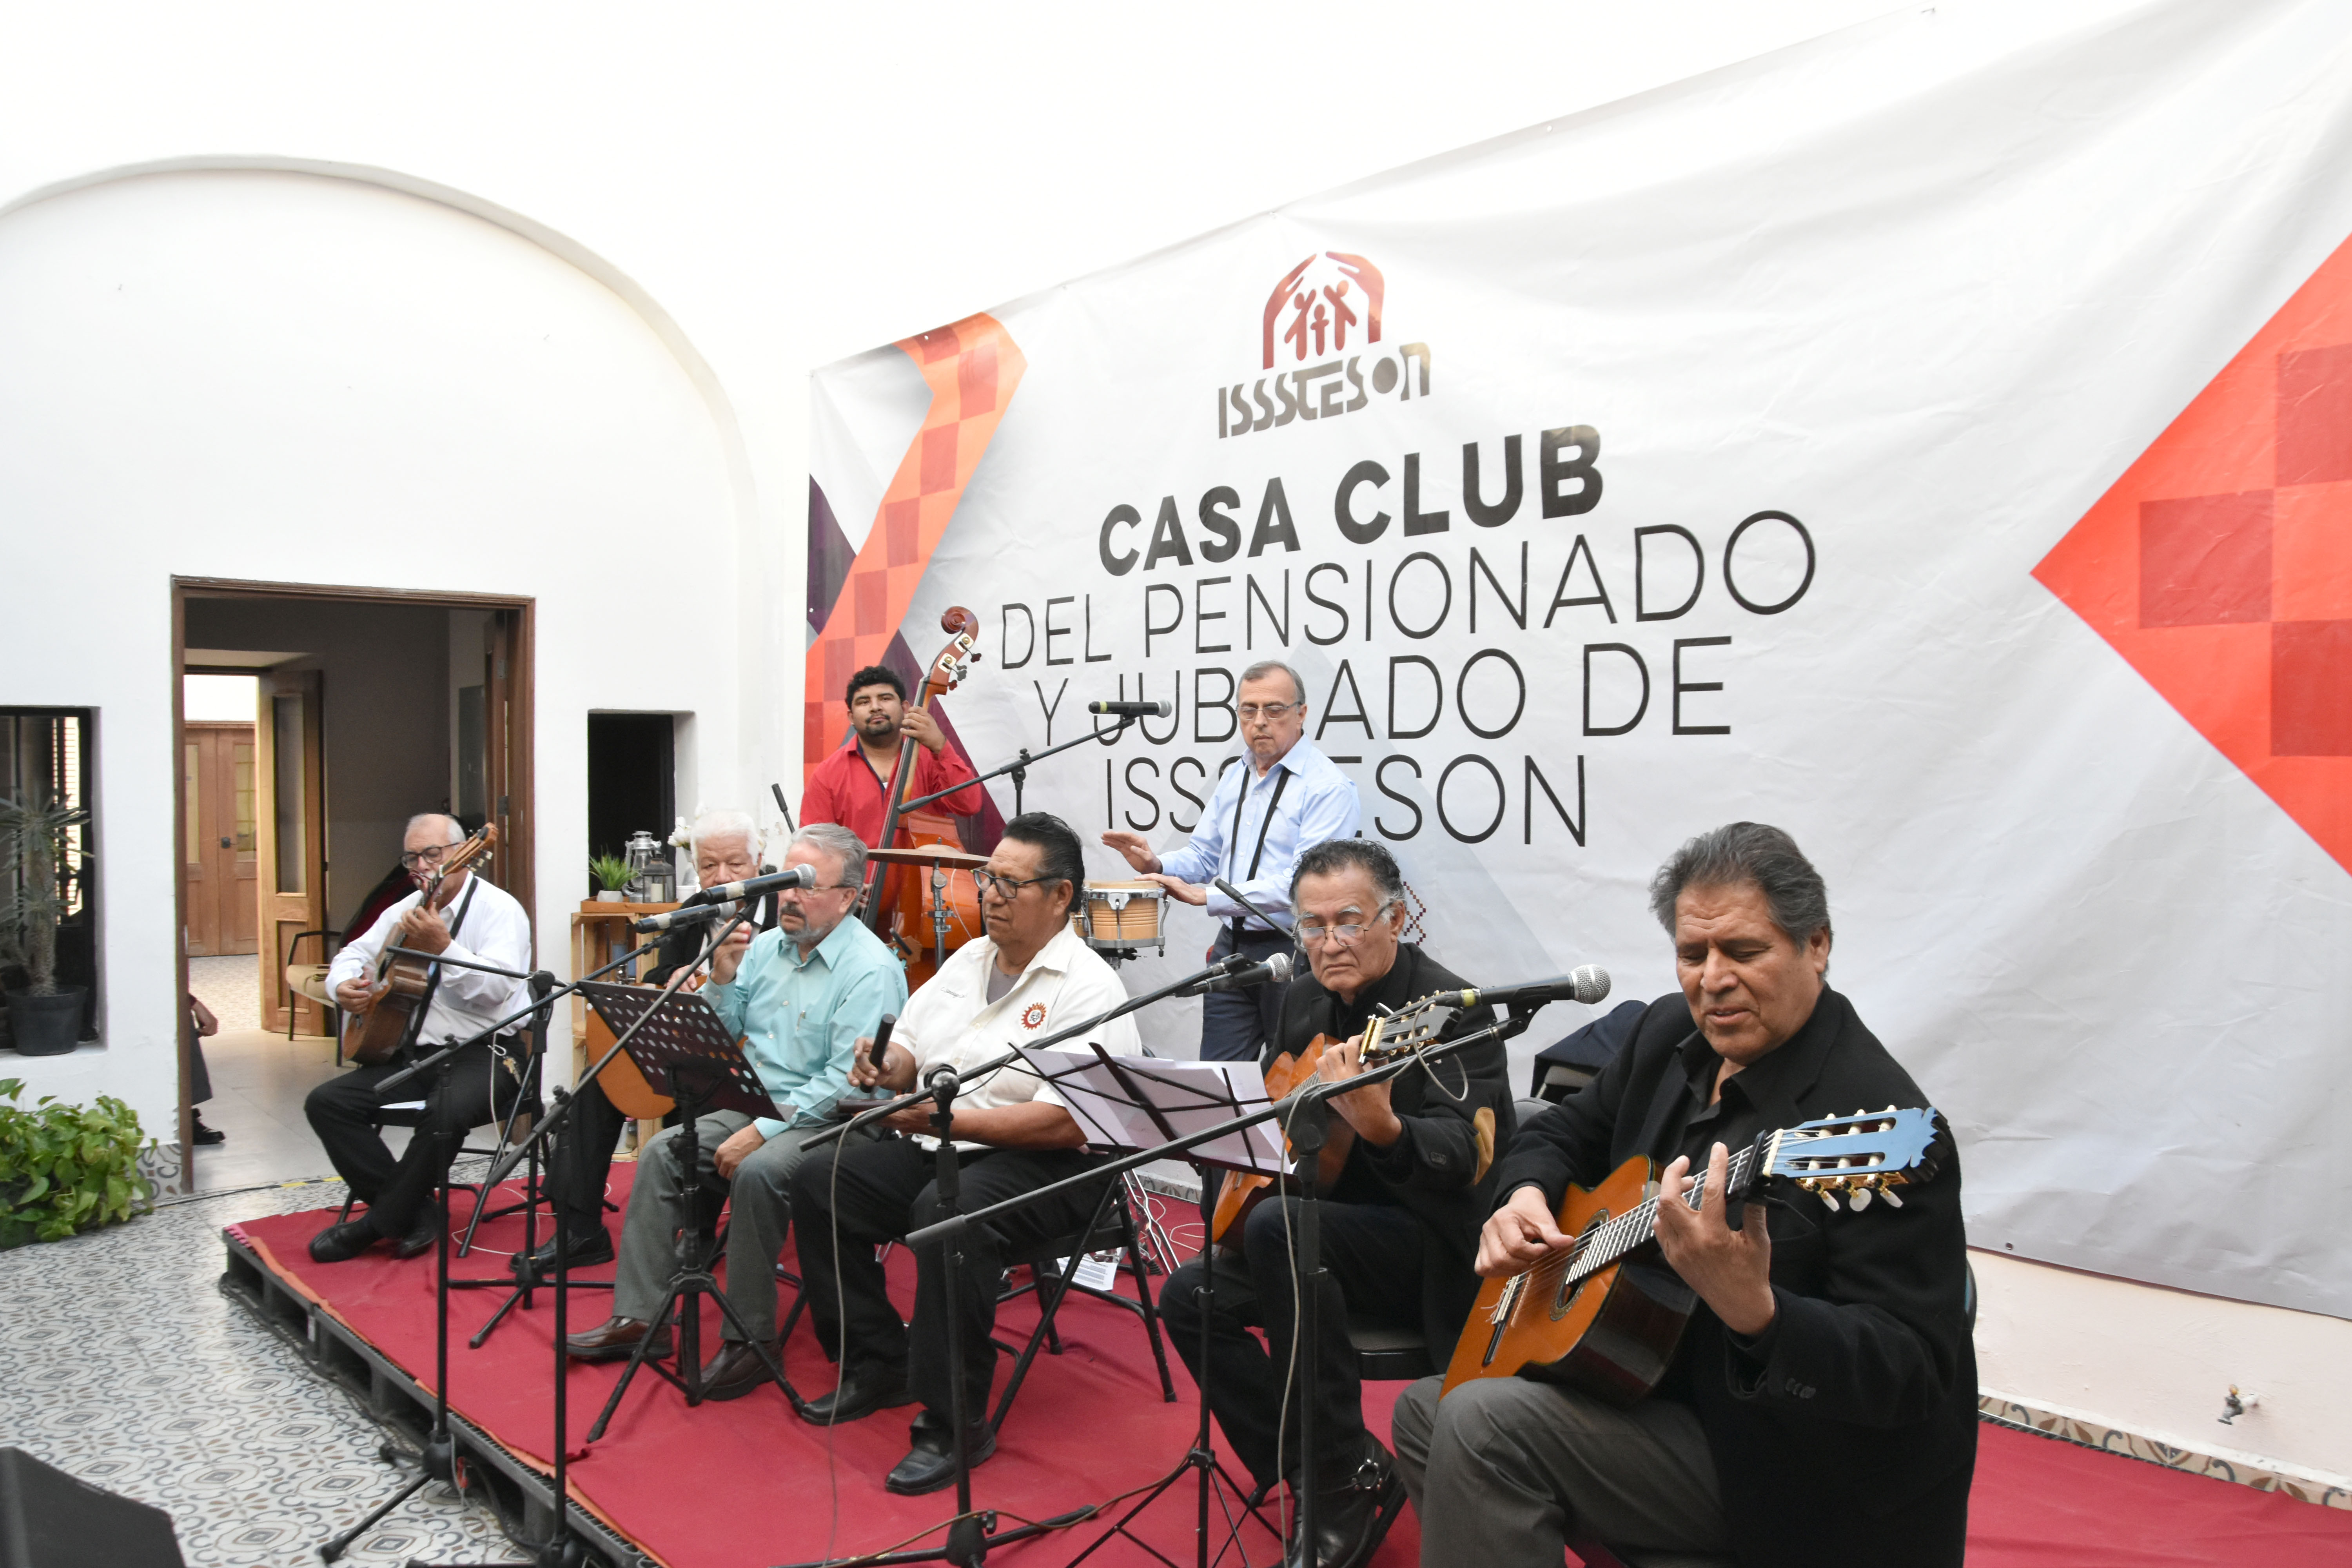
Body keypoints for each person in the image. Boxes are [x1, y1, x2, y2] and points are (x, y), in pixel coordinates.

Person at [1392, 823, 1977, 1568]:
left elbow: (1913, 1370)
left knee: (1480, 1424)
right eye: (1693, 954)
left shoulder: (1879, 1125)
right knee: (1426, 1412)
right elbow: (1562, 1130)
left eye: (1745, 952)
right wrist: (1524, 1195)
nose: (1713, 979)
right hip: (1652, 1387)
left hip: (1791, 1464)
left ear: (1817, 946)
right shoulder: (1669, 1036)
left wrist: (1757, 1312)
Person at [1160, 839, 1511, 1568]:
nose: (1329, 943)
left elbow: (1468, 1160)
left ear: (1397, 916)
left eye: (1348, 921)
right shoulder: (1302, 999)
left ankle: (1335, 1487)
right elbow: (1277, 1112)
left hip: (1431, 1246)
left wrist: (1383, 1127)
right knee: (1191, 1293)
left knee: (1280, 1226)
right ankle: (1337, 1464)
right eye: (1311, 927)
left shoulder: (1452, 1011)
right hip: (1311, 1231)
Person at [789, 811, 1140, 1495]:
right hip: (946, 1139)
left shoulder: (1091, 988)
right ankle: (877, 1359)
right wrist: (884, 1066)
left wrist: (948, 1124)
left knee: (947, 1213)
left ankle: (955, 1421)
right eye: (989, 879)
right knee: (821, 1177)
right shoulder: (968, 959)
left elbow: (1068, 1123)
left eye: (1012, 883)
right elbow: (912, 1053)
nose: (991, 895)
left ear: (1062, 895)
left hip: (1054, 1167)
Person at [564, 823, 905, 1398]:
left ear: (848, 897)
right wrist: (721, 980)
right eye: (783, 882)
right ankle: (641, 1316)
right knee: (662, 1152)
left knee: (760, 1170)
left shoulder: (870, 970)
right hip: (758, 1102)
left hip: (837, 1118)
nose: (788, 896)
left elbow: (845, 1085)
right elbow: (718, 1043)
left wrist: (761, 1132)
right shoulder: (766, 947)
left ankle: (751, 1338)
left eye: (805, 885)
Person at [517, 808, 779, 1274]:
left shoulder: (783, 910)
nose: (721, 877)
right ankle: (581, 1228)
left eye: (735, 864)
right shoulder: (692, 910)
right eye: (708, 865)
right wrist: (676, 975)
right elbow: (658, 975)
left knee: (700, 1093)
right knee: (599, 1078)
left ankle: (697, 1231)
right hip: (693, 1034)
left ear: (759, 861)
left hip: (757, 1052)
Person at [1103, 659, 1358, 1061]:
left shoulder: (1328, 788)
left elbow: (1306, 886)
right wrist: (1157, 865)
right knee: (1219, 1077)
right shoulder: (1236, 775)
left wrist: (1208, 897)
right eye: (1248, 710)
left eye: (1274, 709)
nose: (1259, 721)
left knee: (1291, 1080)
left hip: (1293, 950)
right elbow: (1204, 853)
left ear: (1301, 714)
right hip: (1232, 948)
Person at [305, 813, 534, 1263]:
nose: (423, 866)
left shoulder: (500, 909)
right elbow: (353, 952)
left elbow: (498, 991)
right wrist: (345, 986)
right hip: (413, 1054)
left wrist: (444, 947)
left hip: (486, 1052)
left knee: (446, 1110)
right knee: (327, 1103)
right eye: (413, 857)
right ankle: (417, 1212)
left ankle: (376, 1224)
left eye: (433, 854)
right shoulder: (405, 909)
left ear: (463, 855)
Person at [801, 663, 987, 849]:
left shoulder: (932, 759)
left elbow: (969, 805)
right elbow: (816, 847)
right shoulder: (828, 774)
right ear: (851, 717)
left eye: (885, 698)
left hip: (925, 878)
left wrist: (941, 747)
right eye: (864, 702)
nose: (875, 708)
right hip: (861, 879)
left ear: (905, 708)